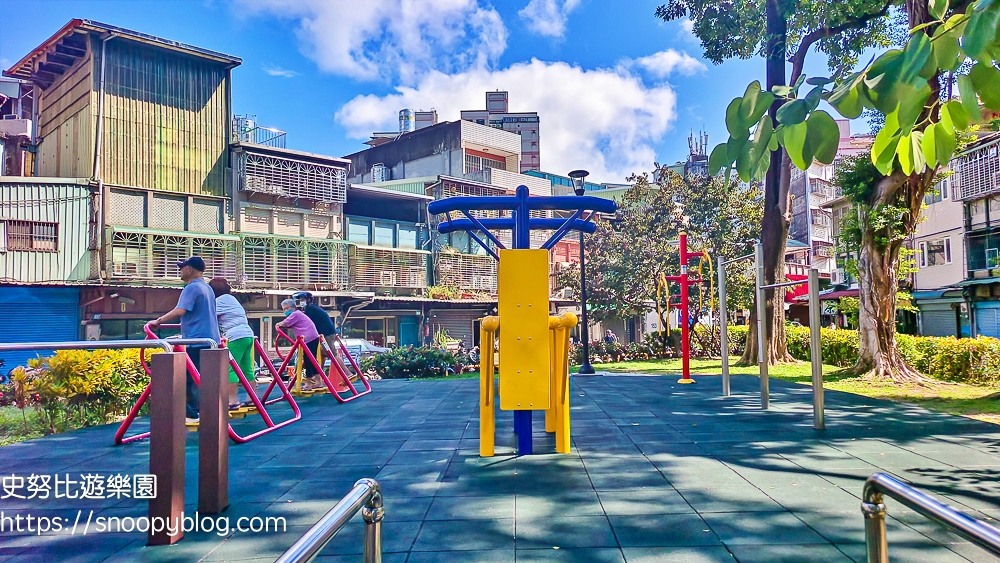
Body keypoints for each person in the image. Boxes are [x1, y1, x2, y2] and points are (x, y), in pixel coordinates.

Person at [149, 256, 220, 424]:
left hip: (197, 340)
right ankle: (207, 412)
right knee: (204, 378)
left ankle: (193, 413)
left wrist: (158, 321)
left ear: (189, 269)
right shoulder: (207, 288)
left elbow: (180, 310)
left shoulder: (191, 288)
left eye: (182, 267)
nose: (180, 270)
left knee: (188, 380)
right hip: (211, 340)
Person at [209, 277, 255, 410]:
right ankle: (252, 398)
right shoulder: (233, 299)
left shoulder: (219, 301)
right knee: (247, 368)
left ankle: (233, 401)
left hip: (235, 336)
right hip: (247, 334)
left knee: (229, 368)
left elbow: (209, 316)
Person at [293, 291, 353, 377]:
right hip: (327, 333)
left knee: (332, 354)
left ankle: (348, 373)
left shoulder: (309, 308)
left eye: (303, 299)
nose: (301, 302)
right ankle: (318, 377)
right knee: (321, 353)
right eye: (300, 300)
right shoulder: (312, 308)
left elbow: (306, 323)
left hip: (326, 333)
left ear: (308, 300)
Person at [276, 298, 323, 390]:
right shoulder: (297, 315)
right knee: (312, 361)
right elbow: (289, 324)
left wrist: (277, 324)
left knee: (309, 361)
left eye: (286, 308)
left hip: (308, 339)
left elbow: (285, 323)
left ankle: (309, 384)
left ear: (293, 307)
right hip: (312, 337)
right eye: (283, 309)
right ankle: (318, 381)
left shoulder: (295, 314)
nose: (285, 311)